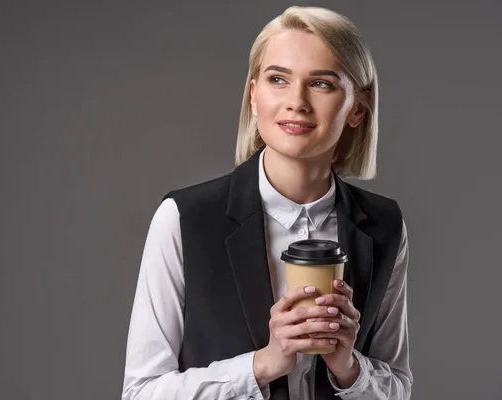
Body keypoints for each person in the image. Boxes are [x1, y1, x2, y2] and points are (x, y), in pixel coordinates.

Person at [122, 5, 412, 400]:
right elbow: (141, 393)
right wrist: (263, 364)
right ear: (254, 95)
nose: (297, 102)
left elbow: (398, 386)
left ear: (357, 109)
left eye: (322, 84)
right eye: (278, 79)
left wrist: (349, 368)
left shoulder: (384, 225)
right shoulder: (184, 219)